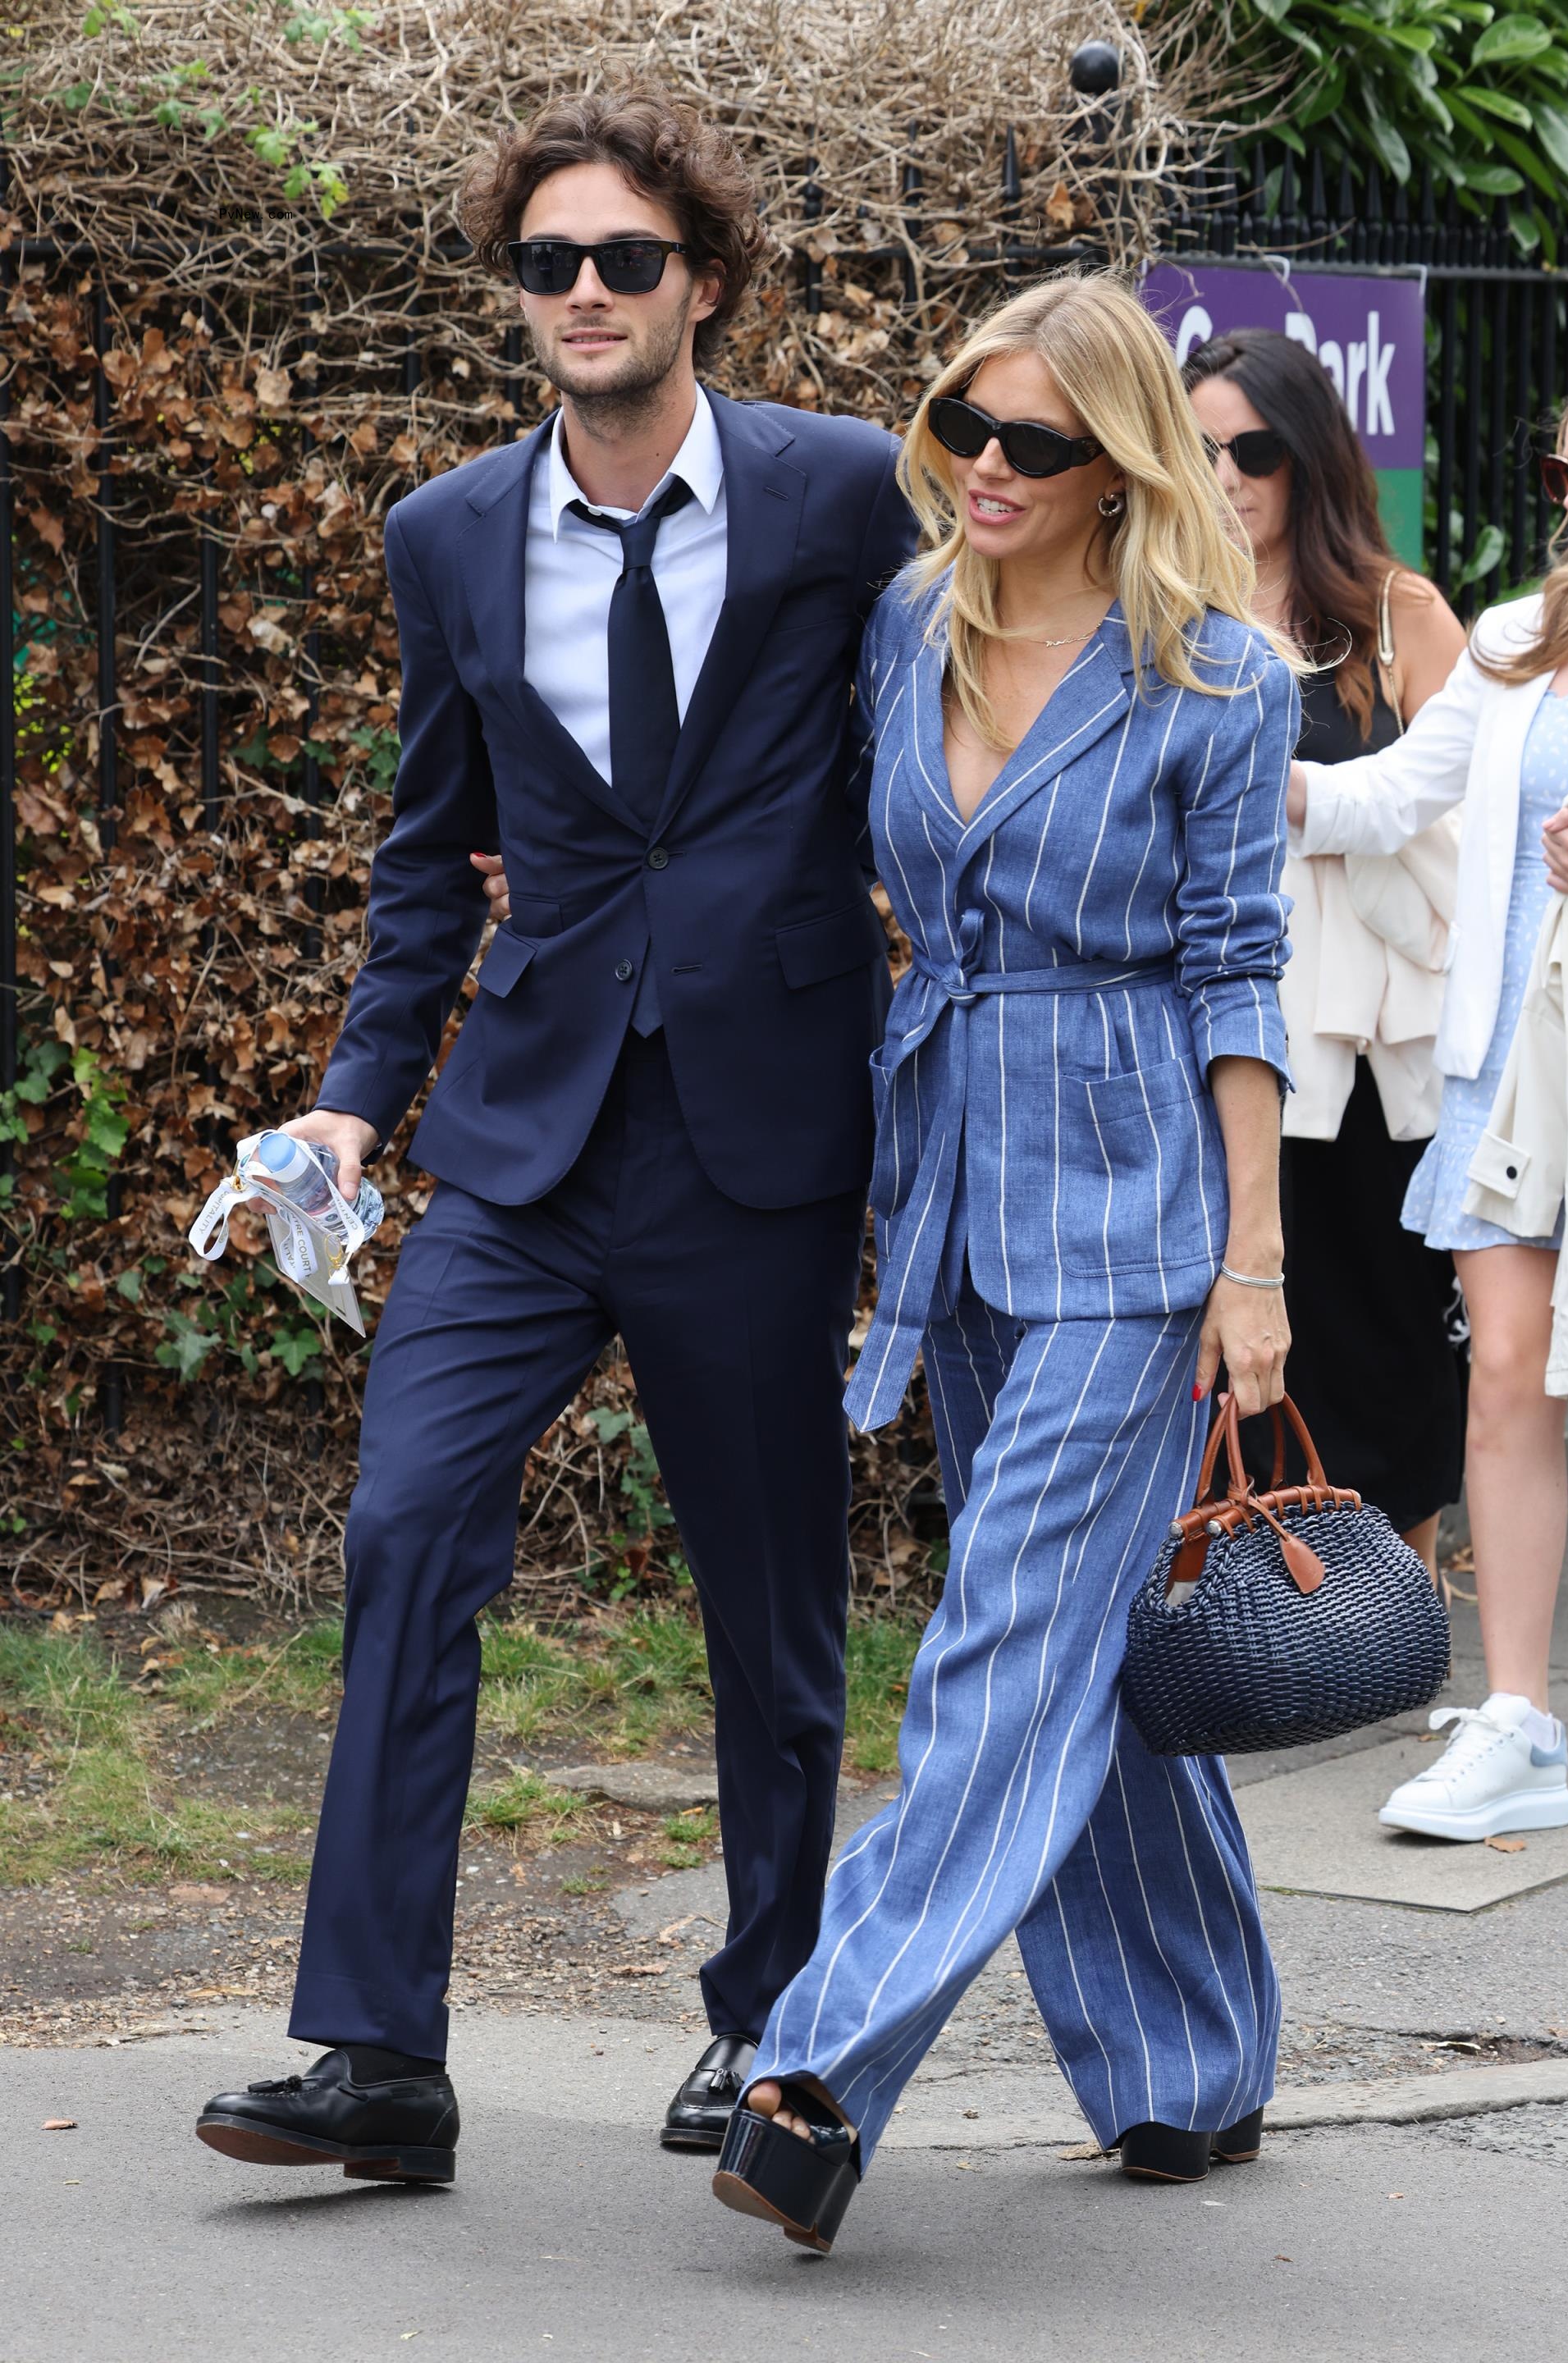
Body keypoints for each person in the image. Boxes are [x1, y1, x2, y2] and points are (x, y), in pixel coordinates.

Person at [194, 83, 913, 2185]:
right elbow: (435, 853)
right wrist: (349, 1108)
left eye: (623, 260)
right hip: (519, 1141)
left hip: (756, 1143)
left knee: (769, 1605)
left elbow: (937, 751)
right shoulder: (448, 533)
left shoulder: (838, 496)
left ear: (704, 280)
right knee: (406, 1529)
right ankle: (378, 2056)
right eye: (547, 264)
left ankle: (770, 2020)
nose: (583, 294)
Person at [707, 272, 1300, 2256]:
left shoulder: (1223, 675)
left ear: (1121, 464)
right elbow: (817, 856)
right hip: (948, 1190)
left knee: (999, 1648)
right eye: (967, 422)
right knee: (1075, 1659)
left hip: (1139, 1217)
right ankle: (1186, 2066)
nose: (984, 466)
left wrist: (1256, 1262)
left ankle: (817, 2063)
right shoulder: (905, 625)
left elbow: (1238, 977)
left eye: (1036, 442)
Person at [1283, 403, 1568, 1844]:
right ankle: (1518, 1718)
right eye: (1562, 473)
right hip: (1515, 1066)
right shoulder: (1520, 637)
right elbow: (1393, 793)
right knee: (1508, 1376)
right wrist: (1236, 777)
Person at [1183, 329, 1469, 1577]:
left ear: (1308, 460)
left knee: (1387, 1331)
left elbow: (1475, 821)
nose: (1229, 475)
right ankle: (1255, 1608)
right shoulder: (1159, 611)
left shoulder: (1396, 618)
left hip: (1378, 1046)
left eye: (1255, 449)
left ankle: (1389, 1616)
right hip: (1225, 1029)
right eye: (1200, 451)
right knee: (1245, 1332)